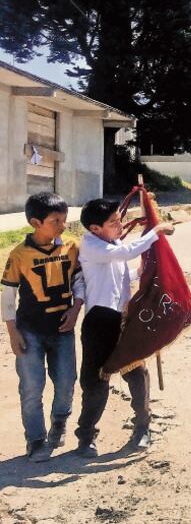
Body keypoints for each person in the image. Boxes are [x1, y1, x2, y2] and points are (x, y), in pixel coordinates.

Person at [75, 198, 174, 457]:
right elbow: (125, 254)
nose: (120, 226)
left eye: (120, 219)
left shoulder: (113, 243)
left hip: (123, 320)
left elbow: (119, 277)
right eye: (113, 223)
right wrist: (155, 232)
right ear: (95, 228)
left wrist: (143, 272)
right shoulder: (91, 245)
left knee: (137, 373)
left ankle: (143, 427)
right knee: (96, 382)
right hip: (99, 323)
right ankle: (86, 437)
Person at [1, 192, 84, 462]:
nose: (62, 226)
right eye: (55, 221)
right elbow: (7, 296)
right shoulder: (19, 255)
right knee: (31, 387)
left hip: (63, 329)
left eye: (64, 220)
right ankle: (35, 440)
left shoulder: (72, 247)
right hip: (30, 330)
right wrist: (12, 332)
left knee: (66, 382)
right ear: (36, 223)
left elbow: (80, 282)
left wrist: (76, 308)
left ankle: (59, 422)